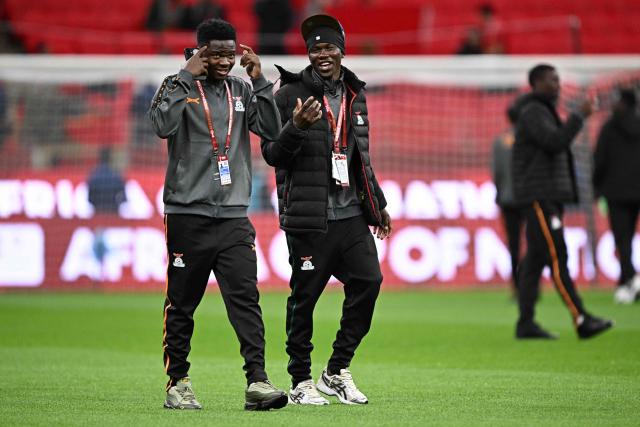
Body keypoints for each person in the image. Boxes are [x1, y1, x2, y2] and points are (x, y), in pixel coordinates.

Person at [148, 18, 287, 411]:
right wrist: (181, 78)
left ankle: (258, 381)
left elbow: (272, 131)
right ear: (201, 52)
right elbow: (160, 125)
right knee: (182, 302)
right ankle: (178, 383)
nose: (226, 60)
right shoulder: (177, 87)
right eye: (217, 53)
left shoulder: (242, 88)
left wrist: (261, 82)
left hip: (232, 216)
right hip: (187, 215)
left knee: (246, 299)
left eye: (232, 52)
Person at [261, 14, 392, 405]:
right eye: (315, 48)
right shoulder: (289, 94)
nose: (323, 54)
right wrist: (296, 127)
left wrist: (377, 205)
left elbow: (359, 157)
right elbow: (272, 154)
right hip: (310, 216)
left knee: (369, 281)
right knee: (306, 298)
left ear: (342, 49)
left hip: (350, 213)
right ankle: (301, 380)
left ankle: (335, 370)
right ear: (308, 53)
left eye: (329, 47)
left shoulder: (355, 94)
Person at [511, 63, 613, 340]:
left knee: (534, 261)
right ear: (536, 83)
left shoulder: (541, 111)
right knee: (558, 256)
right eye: (551, 80)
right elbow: (555, 142)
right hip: (539, 196)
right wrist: (579, 117)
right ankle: (580, 318)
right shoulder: (533, 112)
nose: (557, 85)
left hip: (546, 195)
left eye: (558, 80)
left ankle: (525, 323)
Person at [593, 88, 640, 304]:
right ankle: (626, 282)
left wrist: (596, 188)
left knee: (623, 240)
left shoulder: (609, 128)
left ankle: (630, 279)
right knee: (625, 240)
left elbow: (599, 161)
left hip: (616, 193)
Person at [491, 106, 525, 296]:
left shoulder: (499, 142)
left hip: (507, 199)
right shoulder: (530, 141)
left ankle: (516, 285)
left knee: (514, 244)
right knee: (534, 242)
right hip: (528, 199)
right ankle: (529, 284)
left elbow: (496, 173)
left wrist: (500, 193)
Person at [87, 147, 126, 214]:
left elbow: (90, 198)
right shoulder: (116, 174)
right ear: (110, 158)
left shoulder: (93, 175)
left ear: (99, 158)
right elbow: (123, 197)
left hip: (98, 212)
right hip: (113, 212)